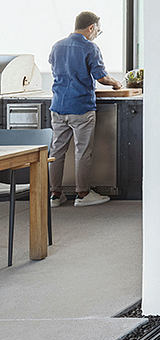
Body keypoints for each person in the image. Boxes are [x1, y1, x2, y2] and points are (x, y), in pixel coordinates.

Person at [48, 11, 123, 208]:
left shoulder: (57, 46)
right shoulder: (90, 47)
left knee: (56, 150)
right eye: (98, 30)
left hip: (58, 107)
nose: (97, 34)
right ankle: (82, 194)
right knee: (82, 152)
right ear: (91, 27)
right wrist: (116, 84)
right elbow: (101, 77)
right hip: (81, 107)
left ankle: (55, 195)